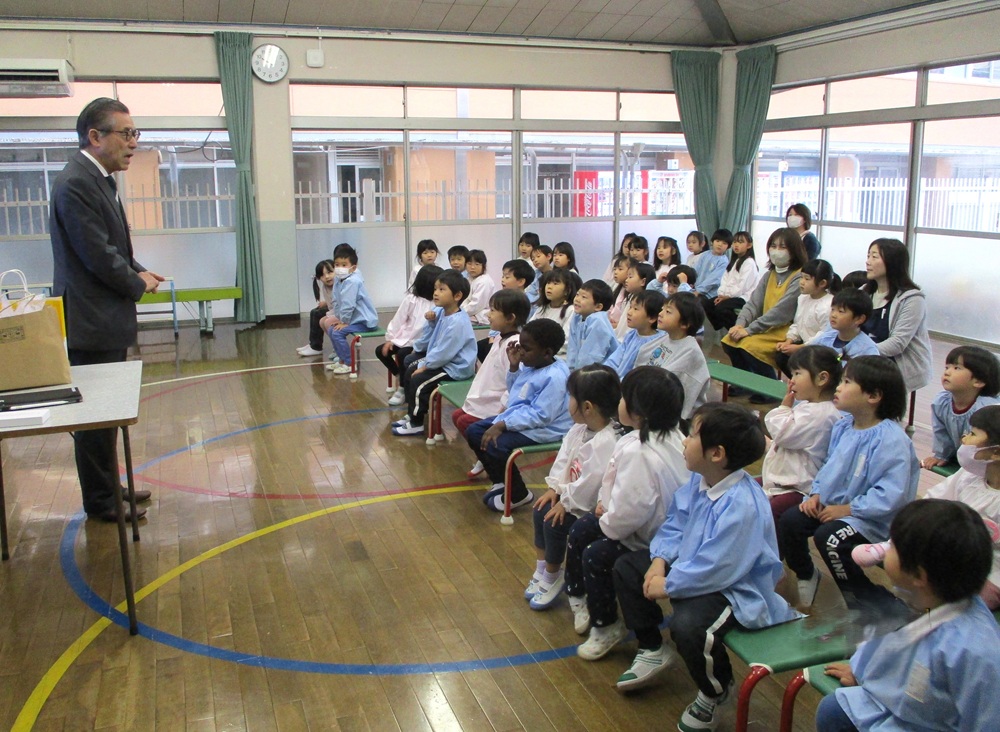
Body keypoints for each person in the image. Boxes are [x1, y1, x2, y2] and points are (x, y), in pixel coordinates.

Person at [611, 403, 800, 731]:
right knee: (628, 568)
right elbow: (676, 523)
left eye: (693, 435)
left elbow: (718, 567)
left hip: (734, 590)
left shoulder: (742, 504)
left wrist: (669, 585)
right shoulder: (700, 482)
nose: (684, 441)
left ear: (716, 454)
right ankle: (652, 646)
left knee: (689, 627)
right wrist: (659, 561)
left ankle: (715, 690)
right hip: (693, 570)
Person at [50, 97, 163, 522]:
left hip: (103, 317)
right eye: (126, 134)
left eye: (136, 133)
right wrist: (135, 283)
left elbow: (115, 249)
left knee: (106, 417)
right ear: (95, 137)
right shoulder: (76, 183)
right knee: (95, 418)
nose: (133, 143)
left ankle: (109, 489)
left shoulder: (98, 179)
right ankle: (100, 502)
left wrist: (139, 270)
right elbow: (96, 254)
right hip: (91, 320)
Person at [816, 500, 1000, 732]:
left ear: (919, 576)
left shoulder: (974, 651)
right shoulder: (928, 603)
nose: (884, 550)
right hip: (905, 709)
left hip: (927, 724)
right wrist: (863, 673)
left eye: (892, 545)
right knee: (832, 710)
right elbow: (895, 655)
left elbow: (987, 720)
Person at [779, 356, 919, 618]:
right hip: (836, 509)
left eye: (847, 382)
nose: (838, 387)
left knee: (830, 539)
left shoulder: (891, 439)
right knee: (790, 521)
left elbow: (891, 495)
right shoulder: (843, 426)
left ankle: (869, 601)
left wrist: (848, 509)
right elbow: (828, 467)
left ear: (873, 396)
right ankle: (807, 573)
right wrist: (816, 494)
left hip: (874, 520)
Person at [568, 368, 690, 657]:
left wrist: (607, 517)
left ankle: (607, 624)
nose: (618, 403)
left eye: (624, 398)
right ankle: (579, 594)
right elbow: (614, 483)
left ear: (638, 412)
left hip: (652, 537)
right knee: (581, 529)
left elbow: (631, 511)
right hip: (642, 523)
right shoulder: (661, 434)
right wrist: (604, 506)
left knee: (596, 555)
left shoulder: (641, 452)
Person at [526, 365, 621, 610]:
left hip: (589, 506)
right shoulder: (579, 429)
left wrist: (565, 502)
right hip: (571, 496)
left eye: (570, 397)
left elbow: (591, 484)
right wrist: (554, 489)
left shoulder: (607, 441)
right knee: (540, 509)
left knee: (554, 523)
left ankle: (552, 574)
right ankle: (541, 567)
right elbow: (563, 459)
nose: (567, 402)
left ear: (587, 407)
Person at [465, 319, 574, 511]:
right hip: (520, 418)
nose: (521, 352)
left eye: (526, 348)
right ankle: (500, 480)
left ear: (547, 352)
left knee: (497, 444)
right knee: (474, 431)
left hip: (546, 428)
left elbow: (541, 416)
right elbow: (516, 392)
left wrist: (503, 425)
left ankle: (518, 493)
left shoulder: (555, 377)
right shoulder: (533, 364)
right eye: (520, 346)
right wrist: (514, 367)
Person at [919, 405, 1000, 609]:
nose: (964, 439)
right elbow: (933, 501)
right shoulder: (968, 475)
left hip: (993, 571)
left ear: (996, 452)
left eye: (972, 434)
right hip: (961, 555)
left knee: (963, 602)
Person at [763, 346, 843, 532]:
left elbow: (783, 434)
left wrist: (784, 407)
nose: (791, 380)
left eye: (797, 373)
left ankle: (774, 549)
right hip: (783, 482)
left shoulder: (821, 414)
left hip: (799, 488)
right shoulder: (810, 407)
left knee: (772, 514)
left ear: (822, 378)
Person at [722, 227, 807, 402]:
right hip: (765, 328)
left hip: (786, 331)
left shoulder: (799, 277)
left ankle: (769, 388)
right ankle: (744, 383)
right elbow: (753, 303)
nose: (776, 251)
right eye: (773, 246)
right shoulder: (769, 274)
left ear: (794, 250)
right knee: (729, 340)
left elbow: (781, 313)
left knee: (750, 346)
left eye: (782, 247)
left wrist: (749, 330)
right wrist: (739, 325)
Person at [454, 289, 531, 478]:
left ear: (510, 318)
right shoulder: (500, 337)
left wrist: (504, 408)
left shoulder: (514, 345)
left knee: (466, 422)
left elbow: (517, 382)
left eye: (493, 311)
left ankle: (492, 459)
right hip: (487, 398)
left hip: (497, 405)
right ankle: (484, 453)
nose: (488, 314)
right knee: (457, 416)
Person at [391, 270, 476, 436]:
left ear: (457, 296)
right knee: (410, 368)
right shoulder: (441, 311)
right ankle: (412, 414)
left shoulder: (457, 323)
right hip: (444, 362)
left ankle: (416, 423)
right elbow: (430, 337)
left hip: (456, 368)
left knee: (419, 379)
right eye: (436, 288)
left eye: (442, 289)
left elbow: (444, 352)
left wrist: (425, 366)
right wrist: (430, 321)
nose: (436, 293)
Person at [862, 238, 933, 395]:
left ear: (892, 262)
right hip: (866, 362)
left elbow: (897, 343)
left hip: (896, 368)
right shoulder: (864, 292)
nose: (868, 262)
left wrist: (859, 351)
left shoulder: (912, 299)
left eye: (874, 257)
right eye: (868, 256)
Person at [922, 345, 1000, 469]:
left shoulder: (987, 409)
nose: (947, 372)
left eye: (957, 368)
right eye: (947, 367)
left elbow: (987, 445)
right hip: (965, 460)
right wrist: (941, 455)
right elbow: (941, 432)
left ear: (978, 381)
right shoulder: (941, 401)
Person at [380, 265, 442, 406]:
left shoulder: (438, 303)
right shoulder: (411, 299)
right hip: (406, 338)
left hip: (424, 343)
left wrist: (418, 346)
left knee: (403, 355)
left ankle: (402, 388)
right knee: (381, 351)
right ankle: (400, 376)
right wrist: (390, 339)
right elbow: (398, 320)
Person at [647, 291, 711, 421]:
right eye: (662, 309)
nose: (660, 313)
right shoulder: (666, 338)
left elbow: (673, 387)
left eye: (668, 312)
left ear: (685, 324)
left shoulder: (690, 352)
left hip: (681, 418)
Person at [774, 258, 838, 377]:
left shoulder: (829, 305)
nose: (802, 282)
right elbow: (798, 324)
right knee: (781, 356)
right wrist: (788, 341)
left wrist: (799, 348)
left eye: (807, 279)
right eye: (801, 277)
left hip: (820, 351)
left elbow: (824, 336)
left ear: (822, 283)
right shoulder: (802, 298)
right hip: (805, 346)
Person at [321, 245, 379, 374]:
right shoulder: (339, 279)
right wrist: (340, 319)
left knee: (337, 333)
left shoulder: (353, 281)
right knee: (331, 330)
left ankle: (350, 363)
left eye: (344, 265)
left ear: (353, 268)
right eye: (337, 264)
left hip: (364, 321)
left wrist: (344, 322)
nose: (339, 268)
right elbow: (336, 300)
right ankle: (341, 360)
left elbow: (348, 304)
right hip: (353, 320)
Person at [701, 230, 758, 332]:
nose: (736, 245)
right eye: (735, 242)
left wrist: (727, 297)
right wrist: (721, 294)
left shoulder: (749, 263)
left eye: (740, 242)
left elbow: (742, 287)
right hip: (730, 296)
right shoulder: (734, 261)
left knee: (721, 308)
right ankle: (722, 327)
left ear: (749, 245)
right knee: (707, 303)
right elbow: (724, 281)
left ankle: (737, 330)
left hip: (744, 297)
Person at [605, 290, 666, 379]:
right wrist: (604, 373)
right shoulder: (631, 334)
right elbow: (615, 360)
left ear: (652, 318)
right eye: (630, 307)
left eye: (636, 309)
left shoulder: (657, 344)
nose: (629, 312)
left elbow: (640, 375)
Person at [805, 288, 881, 359]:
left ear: (859, 319)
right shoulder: (825, 338)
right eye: (833, 309)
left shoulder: (867, 349)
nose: (833, 315)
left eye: (841, 311)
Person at [566, 279, 619, 370]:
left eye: (584, 297)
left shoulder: (598, 321)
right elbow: (572, 348)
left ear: (598, 307)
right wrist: (570, 370)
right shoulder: (577, 316)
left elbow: (591, 357)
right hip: (583, 369)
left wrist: (580, 375)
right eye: (577, 294)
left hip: (602, 371)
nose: (577, 299)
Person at [528, 267, 579, 355]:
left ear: (567, 290)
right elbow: (529, 330)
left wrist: (542, 349)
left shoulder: (571, 311)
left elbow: (566, 340)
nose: (549, 287)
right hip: (538, 352)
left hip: (558, 355)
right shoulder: (542, 308)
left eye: (555, 283)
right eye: (548, 283)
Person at [296, 258, 336, 357]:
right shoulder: (325, 287)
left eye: (329, 272)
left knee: (318, 314)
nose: (327, 277)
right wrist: (325, 303)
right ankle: (313, 344)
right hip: (335, 310)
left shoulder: (340, 285)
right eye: (322, 275)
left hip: (341, 313)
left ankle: (316, 347)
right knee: (315, 311)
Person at [613, 260, 657, 341]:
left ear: (643, 281)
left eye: (630, 277)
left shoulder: (645, 302)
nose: (626, 280)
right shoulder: (631, 296)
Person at [691, 228, 732, 300]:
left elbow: (714, 280)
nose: (720, 244)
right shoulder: (705, 254)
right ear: (712, 242)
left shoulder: (724, 261)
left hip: (709, 295)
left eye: (724, 243)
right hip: (696, 289)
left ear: (728, 247)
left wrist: (699, 291)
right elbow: (695, 270)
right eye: (717, 241)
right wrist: (691, 283)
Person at [461, 249, 496, 325]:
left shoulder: (484, 281)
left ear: (483, 266)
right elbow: (465, 299)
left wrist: (460, 312)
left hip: (481, 316)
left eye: (477, 264)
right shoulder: (469, 279)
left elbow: (476, 305)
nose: (472, 267)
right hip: (470, 313)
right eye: (469, 264)